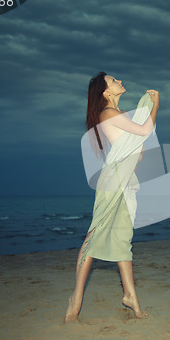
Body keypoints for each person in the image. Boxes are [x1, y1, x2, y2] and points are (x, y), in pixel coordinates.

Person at [65, 71, 159, 322]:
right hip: (113, 182)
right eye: (113, 80)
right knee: (93, 236)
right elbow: (144, 130)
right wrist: (156, 104)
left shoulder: (118, 114)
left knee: (122, 238)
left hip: (125, 181)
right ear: (106, 92)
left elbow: (134, 147)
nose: (118, 80)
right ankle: (75, 301)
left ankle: (131, 298)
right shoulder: (108, 113)